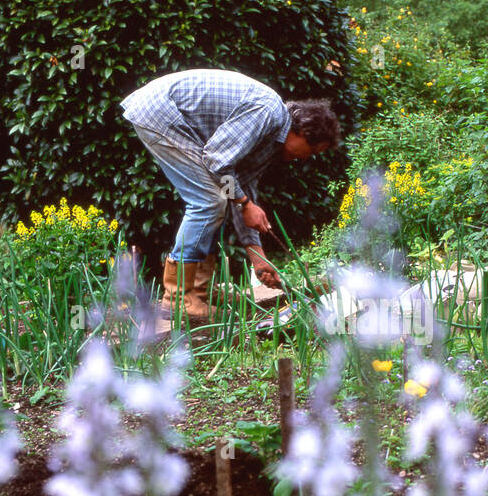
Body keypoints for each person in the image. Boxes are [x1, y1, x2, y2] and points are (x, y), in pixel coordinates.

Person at [121, 68, 339, 323]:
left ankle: (199, 290)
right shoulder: (268, 113)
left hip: (168, 112)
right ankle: (179, 297)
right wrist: (245, 204)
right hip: (160, 111)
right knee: (208, 201)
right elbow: (217, 161)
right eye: (311, 151)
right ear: (302, 130)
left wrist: (257, 257)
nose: (305, 159)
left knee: (221, 197)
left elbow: (239, 187)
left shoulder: (271, 140)